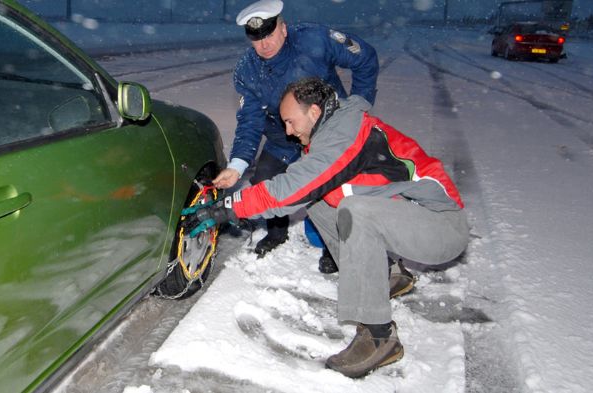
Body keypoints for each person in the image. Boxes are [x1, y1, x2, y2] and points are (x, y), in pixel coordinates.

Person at [184, 77, 470, 377]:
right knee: (322, 202)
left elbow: (291, 188)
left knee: (355, 211)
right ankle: (382, 274)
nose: (287, 131)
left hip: (441, 226)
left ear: (315, 112)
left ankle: (379, 337)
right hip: (409, 216)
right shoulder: (334, 129)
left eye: (291, 122)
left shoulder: (345, 135)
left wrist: (230, 207)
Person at [212, 0, 379, 272]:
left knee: (330, 189)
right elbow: (250, 121)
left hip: (326, 134)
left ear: (284, 28)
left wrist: (359, 104)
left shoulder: (315, 40)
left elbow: (365, 57)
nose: (264, 44)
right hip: (282, 139)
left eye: (269, 33)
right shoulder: (246, 71)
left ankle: (333, 245)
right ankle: (277, 233)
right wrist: (237, 165)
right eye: (256, 38)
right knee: (263, 179)